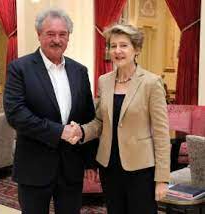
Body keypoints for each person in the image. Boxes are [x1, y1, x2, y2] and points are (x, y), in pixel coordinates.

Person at [69, 24, 171, 214]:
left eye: (123, 45)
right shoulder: (104, 81)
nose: (117, 51)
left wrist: (162, 179)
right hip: (110, 167)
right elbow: (100, 122)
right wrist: (81, 131)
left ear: (137, 49)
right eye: (113, 46)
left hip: (141, 169)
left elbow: (161, 134)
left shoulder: (151, 83)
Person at [3, 8, 96, 214]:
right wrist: (59, 131)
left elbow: (88, 117)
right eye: (50, 34)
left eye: (62, 34)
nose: (57, 40)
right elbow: (16, 114)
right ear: (39, 35)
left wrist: (90, 162)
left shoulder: (80, 71)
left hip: (71, 168)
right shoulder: (20, 68)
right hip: (34, 168)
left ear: (68, 37)